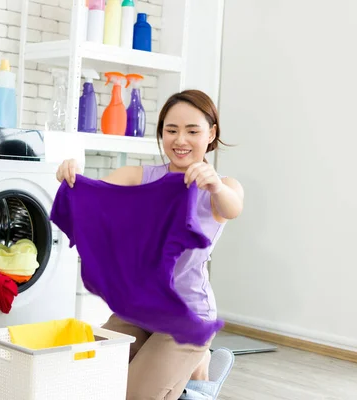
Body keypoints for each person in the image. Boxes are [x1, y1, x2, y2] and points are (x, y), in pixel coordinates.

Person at [55, 89, 244, 400]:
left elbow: (232, 207)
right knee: (87, 378)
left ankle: (197, 377)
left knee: (136, 396)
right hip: (136, 309)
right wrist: (71, 174)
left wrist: (215, 185)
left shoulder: (223, 187)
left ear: (211, 133)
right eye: (171, 130)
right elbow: (92, 193)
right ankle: (196, 375)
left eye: (192, 131)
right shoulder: (140, 177)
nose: (180, 140)